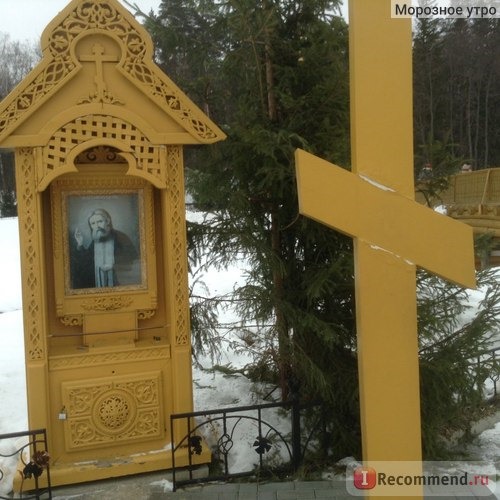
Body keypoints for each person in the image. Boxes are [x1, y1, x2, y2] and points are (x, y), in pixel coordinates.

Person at [70, 208, 139, 289]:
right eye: (93, 223)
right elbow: (86, 262)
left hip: (120, 285)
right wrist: (80, 243)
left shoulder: (121, 237)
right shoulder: (95, 241)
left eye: (100, 222)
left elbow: (133, 260)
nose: (97, 226)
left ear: (107, 221)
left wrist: (114, 266)